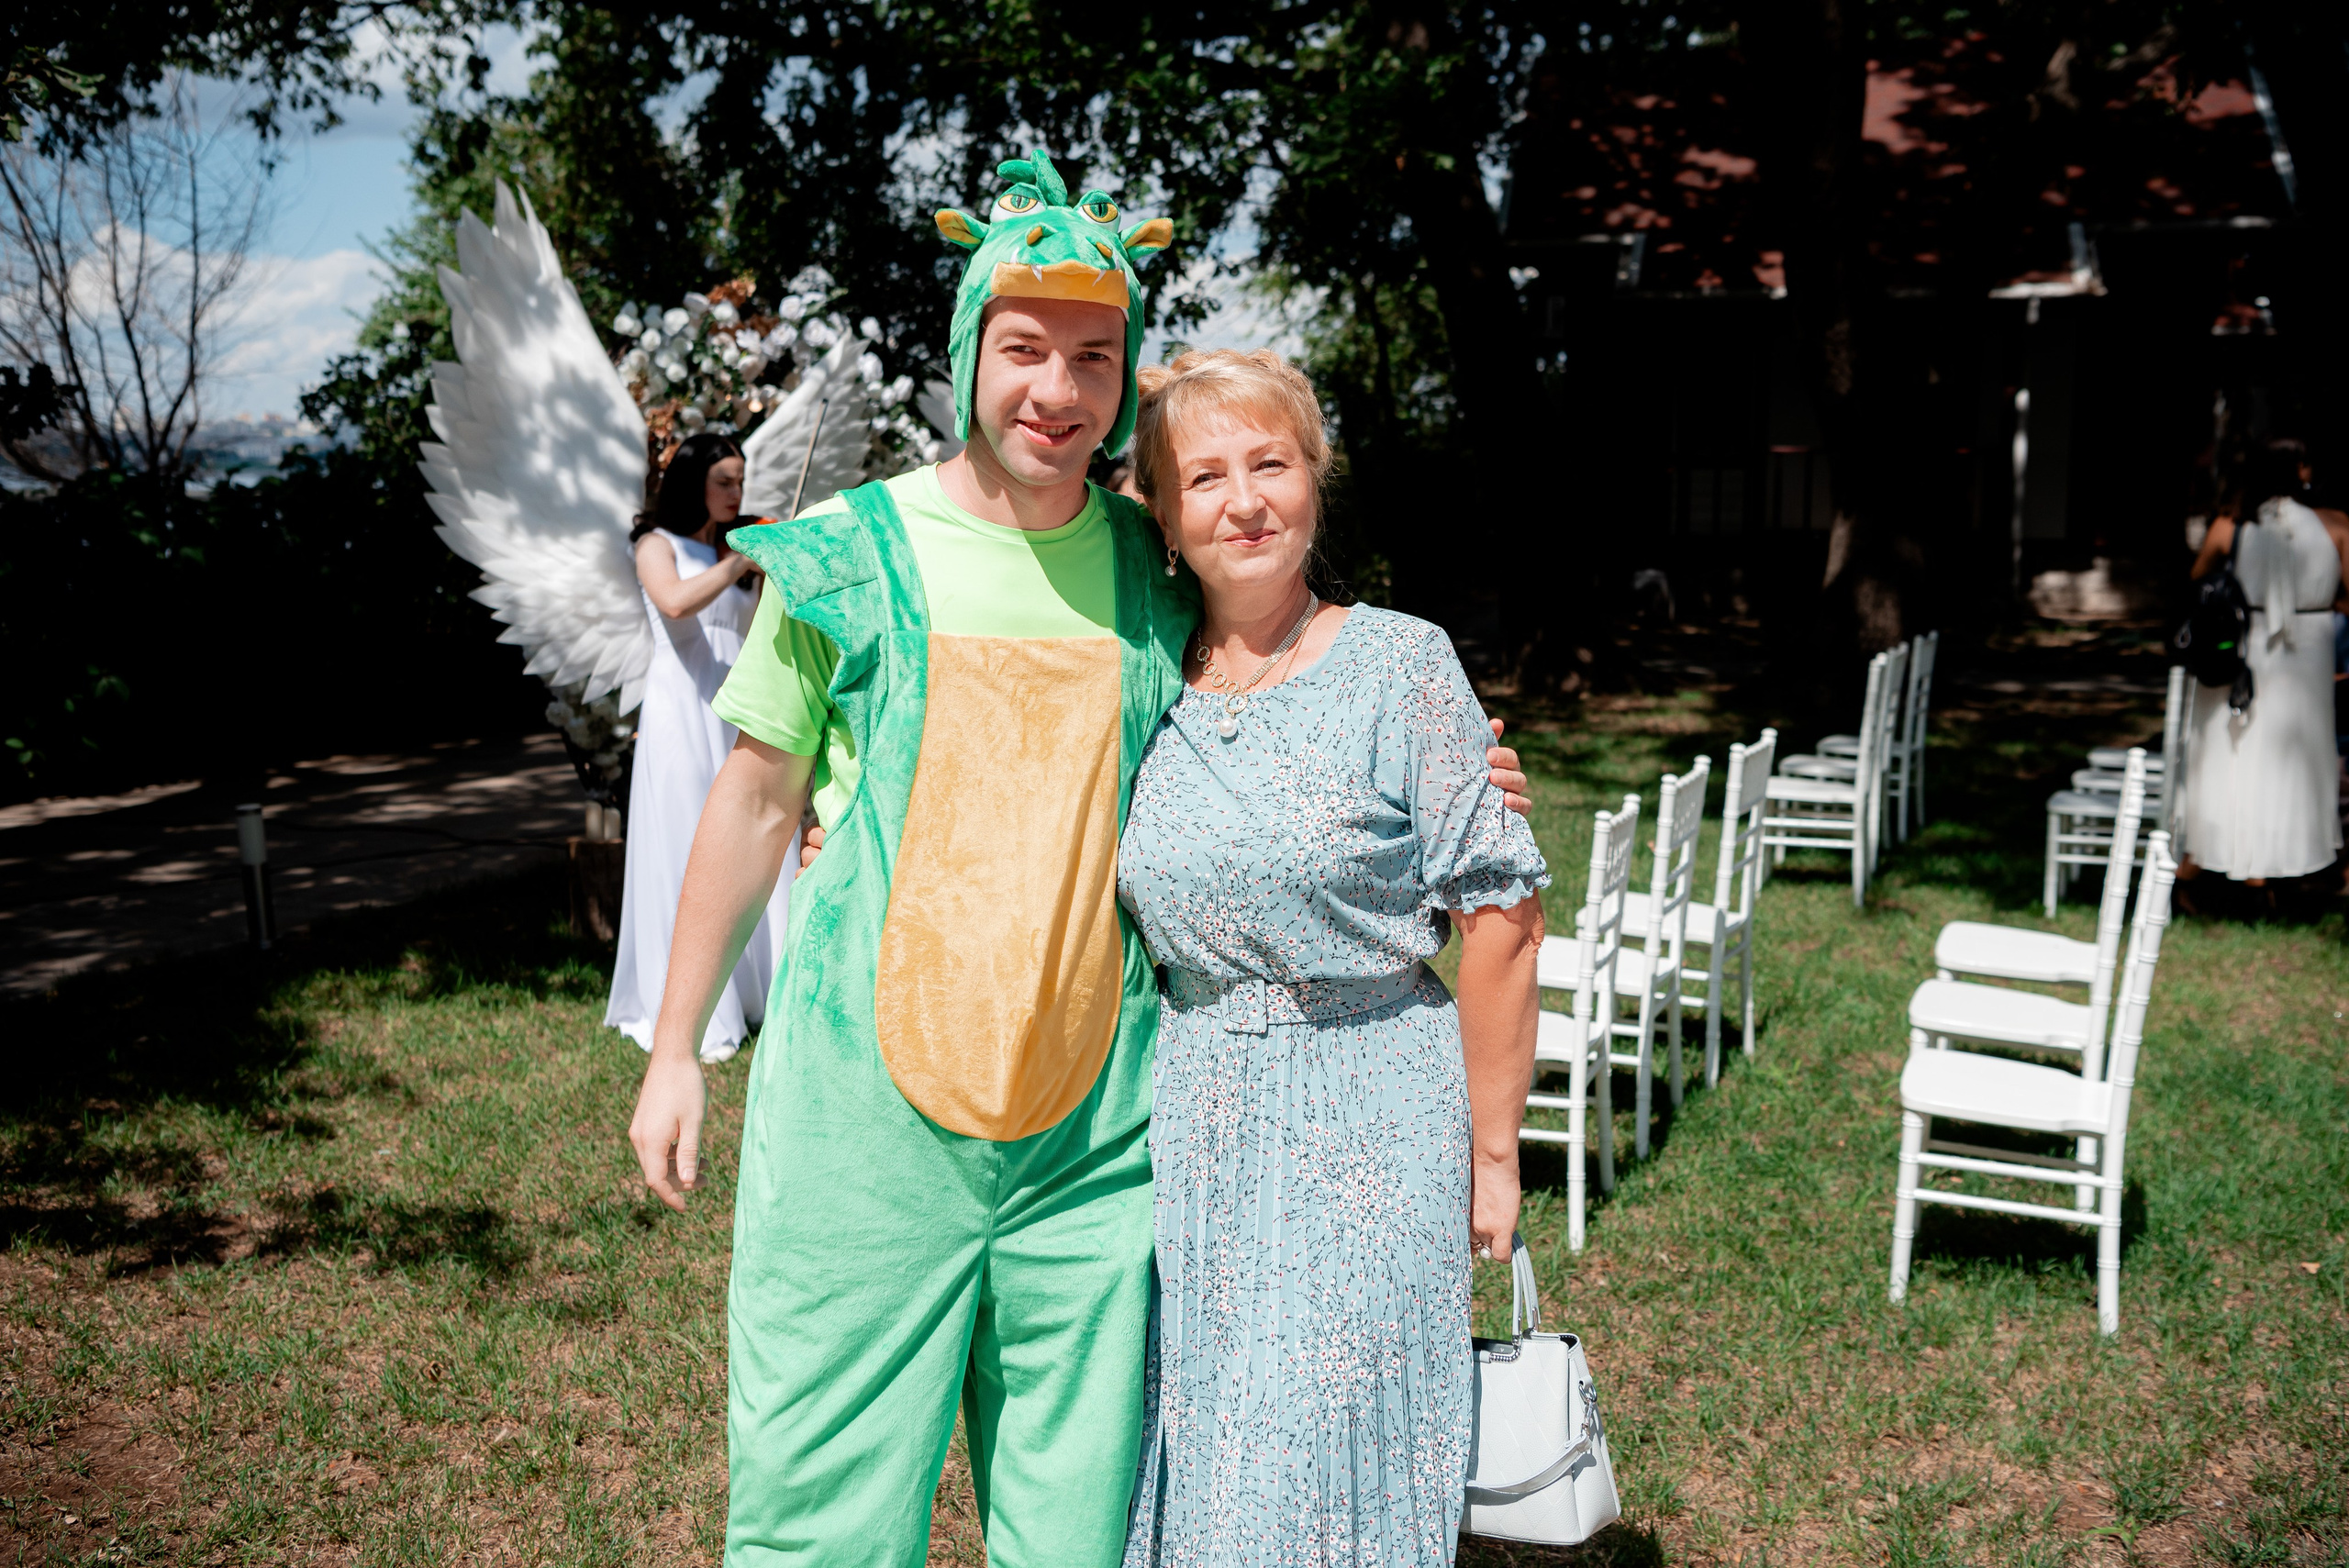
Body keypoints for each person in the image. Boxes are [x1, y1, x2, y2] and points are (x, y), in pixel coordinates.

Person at [623, 151, 1531, 1566]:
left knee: (1076, 1533)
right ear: (967, 353)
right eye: (1024, 350)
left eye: (1094, 357)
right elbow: (751, 803)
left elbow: (1270, 699)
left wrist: (1453, 774)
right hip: (866, 1142)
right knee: (819, 1522)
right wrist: (678, 1045)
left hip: (1094, 1157)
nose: (1057, 389)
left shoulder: (1152, 566)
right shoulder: (850, 555)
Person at [1114, 350, 1546, 1565]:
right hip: (1189, 1114)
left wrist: (1493, 1152)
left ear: (1315, 479)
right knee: (1204, 1439)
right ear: (1163, 516)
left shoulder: (1403, 664)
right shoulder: (1138, 679)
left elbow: (1503, 914)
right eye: (1206, 476)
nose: (1245, 500)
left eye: (1272, 463)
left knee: (1323, 1453)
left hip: (1372, 1111)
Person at [604, 432, 796, 1064]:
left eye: (741, 481)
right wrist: (740, 562)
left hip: (737, 706)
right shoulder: (656, 544)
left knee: (755, 842)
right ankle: (695, 1009)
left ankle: (763, 991)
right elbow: (676, 603)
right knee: (691, 845)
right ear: (694, 484)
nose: (737, 493)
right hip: (680, 709)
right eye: (724, 482)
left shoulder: (732, 547)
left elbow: (754, 630)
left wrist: (774, 574)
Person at [2181, 440, 2349, 885]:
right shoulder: (2336, 524)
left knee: (2236, 750)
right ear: (2301, 470)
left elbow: (2198, 582)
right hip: (2309, 650)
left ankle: (2228, 860)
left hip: (2245, 646)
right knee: (2297, 754)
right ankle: (2287, 863)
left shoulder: (2231, 525)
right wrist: (2321, 600)